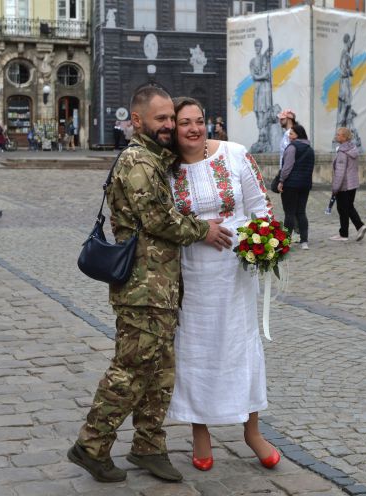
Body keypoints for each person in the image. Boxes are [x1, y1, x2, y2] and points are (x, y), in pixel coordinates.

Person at [68, 86, 233, 484]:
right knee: (129, 371)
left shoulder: (156, 158)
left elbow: (189, 151)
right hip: (142, 289)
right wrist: (203, 230)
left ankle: (148, 447)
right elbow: (159, 219)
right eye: (161, 119)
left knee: (160, 374)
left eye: (171, 119)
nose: (169, 126)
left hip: (160, 288)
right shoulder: (138, 161)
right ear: (137, 120)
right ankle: (91, 445)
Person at [166, 95, 280, 473]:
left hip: (235, 272)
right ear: (174, 129)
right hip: (194, 274)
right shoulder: (167, 170)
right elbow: (164, 221)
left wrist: (263, 243)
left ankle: (252, 431)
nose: (195, 128)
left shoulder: (234, 153)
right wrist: (201, 233)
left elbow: (260, 206)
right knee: (197, 351)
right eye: (185, 123)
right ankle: (200, 431)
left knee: (241, 347)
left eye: (199, 120)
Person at [278, 123, 314, 249]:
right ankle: (304, 241)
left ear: (298, 135)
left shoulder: (292, 147)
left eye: (291, 134)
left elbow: (287, 167)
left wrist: (281, 181)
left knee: (289, 213)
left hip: (291, 185)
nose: (289, 136)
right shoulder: (310, 149)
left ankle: (286, 241)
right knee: (301, 212)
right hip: (305, 185)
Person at [331, 127, 366, 242]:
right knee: (346, 207)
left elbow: (340, 173)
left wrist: (335, 188)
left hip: (344, 185)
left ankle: (359, 226)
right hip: (353, 184)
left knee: (344, 208)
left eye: (339, 135)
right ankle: (344, 233)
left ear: (345, 137)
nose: (336, 136)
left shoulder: (342, 152)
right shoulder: (352, 148)